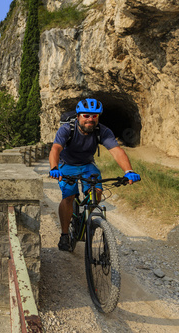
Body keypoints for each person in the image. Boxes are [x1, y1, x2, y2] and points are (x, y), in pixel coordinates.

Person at [49, 98, 141, 251]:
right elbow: (56, 149)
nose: (90, 119)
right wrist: (54, 167)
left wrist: (129, 171)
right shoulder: (67, 129)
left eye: (95, 116)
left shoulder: (102, 131)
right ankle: (64, 235)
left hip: (87, 165)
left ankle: (89, 220)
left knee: (97, 191)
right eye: (86, 115)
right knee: (68, 196)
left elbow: (117, 151)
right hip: (67, 165)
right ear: (78, 116)